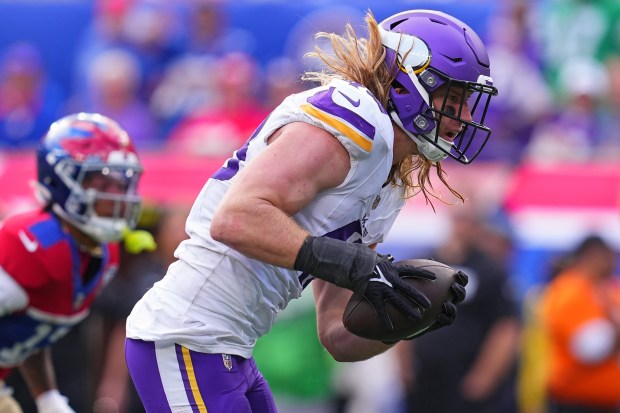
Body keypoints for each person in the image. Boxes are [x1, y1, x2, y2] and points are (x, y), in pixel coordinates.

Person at [125, 9, 497, 412]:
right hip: (187, 335)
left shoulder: (387, 184)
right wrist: (349, 263)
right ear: (408, 82)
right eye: (453, 98)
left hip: (232, 348)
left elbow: (336, 334)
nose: (464, 118)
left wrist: (406, 322)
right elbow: (236, 218)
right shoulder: (358, 120)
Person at [0, 113, 144, 412]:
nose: (115, 195)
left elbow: (33, 329)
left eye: (120, 182)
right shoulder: (30, 245)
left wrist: (46, 397)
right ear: (60, 180)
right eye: (101, 180)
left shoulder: (102, 254)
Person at [397, 207, 520, 413]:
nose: (464, 227)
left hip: (465, 376)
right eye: (460, 220)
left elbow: (505, 327)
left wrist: (486, 374)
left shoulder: (490, 270)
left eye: (471, 221)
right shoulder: (426, 264)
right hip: (425, 374)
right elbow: (403, 314)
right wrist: (404, 365)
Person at [540, 235, 620, 413]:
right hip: (574, 400)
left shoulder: (605, 288)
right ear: (593, 255)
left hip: (604, 401)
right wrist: (615, 329)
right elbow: (589, 348)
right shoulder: (571, 291)